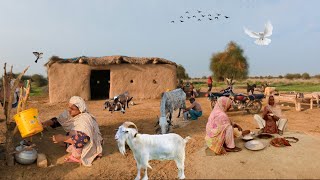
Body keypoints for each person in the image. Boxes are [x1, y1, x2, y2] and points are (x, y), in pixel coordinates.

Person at [42, 96, 103, 166]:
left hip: (89, 143)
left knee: (73, 136)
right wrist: (45, 123)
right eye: (69, 107)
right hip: (81, 138)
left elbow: (84, 139)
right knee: (70, 133)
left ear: (80, 109)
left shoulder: (85, 119)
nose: (69, 110)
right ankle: (71, 146)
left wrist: (62, 138)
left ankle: (77, 156)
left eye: (72, 109)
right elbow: (58, 120)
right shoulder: (71, 114)